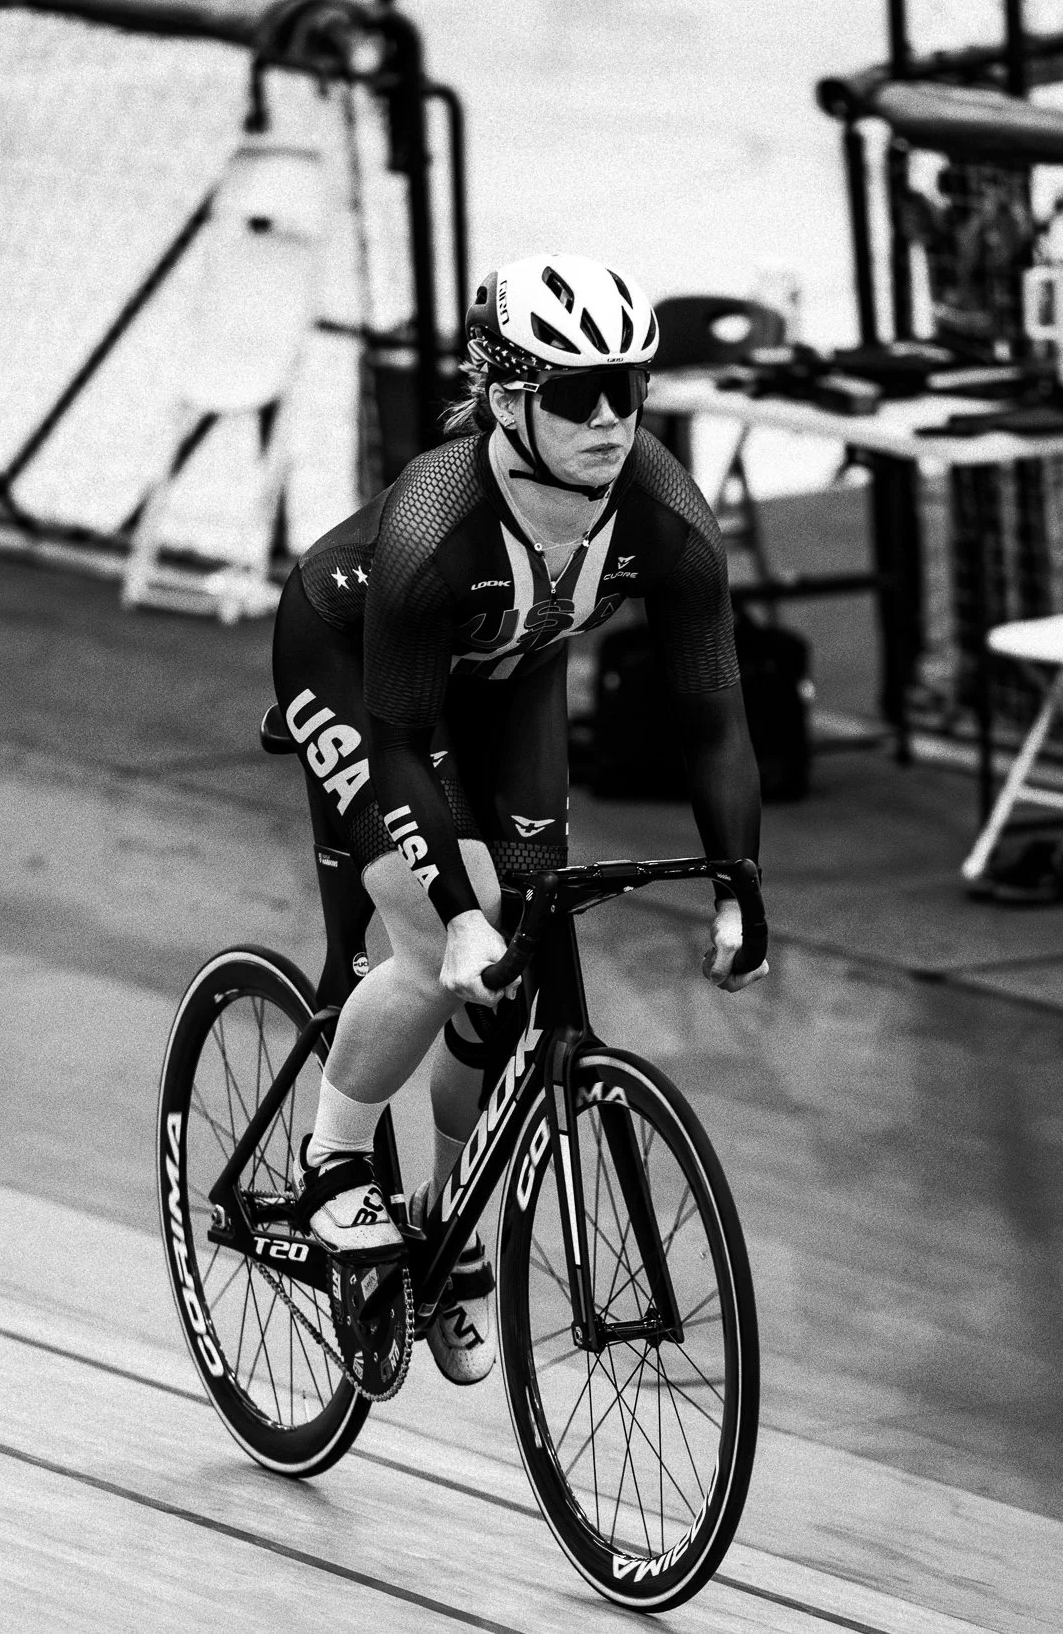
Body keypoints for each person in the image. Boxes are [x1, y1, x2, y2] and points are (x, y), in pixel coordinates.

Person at [269, 252, 768, 1382]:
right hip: (359, 667)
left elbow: (715, 717)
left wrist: (741, 880)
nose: (608, 419)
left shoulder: (665, 515)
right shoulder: (438, 520)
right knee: (442, 933)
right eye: (573, 393)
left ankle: (438, 1226)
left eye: (628, 388)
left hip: (507, 674)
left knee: (520, 951)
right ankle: (334, 1159)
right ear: (505, 399)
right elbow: (396, 739)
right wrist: (449, 910)